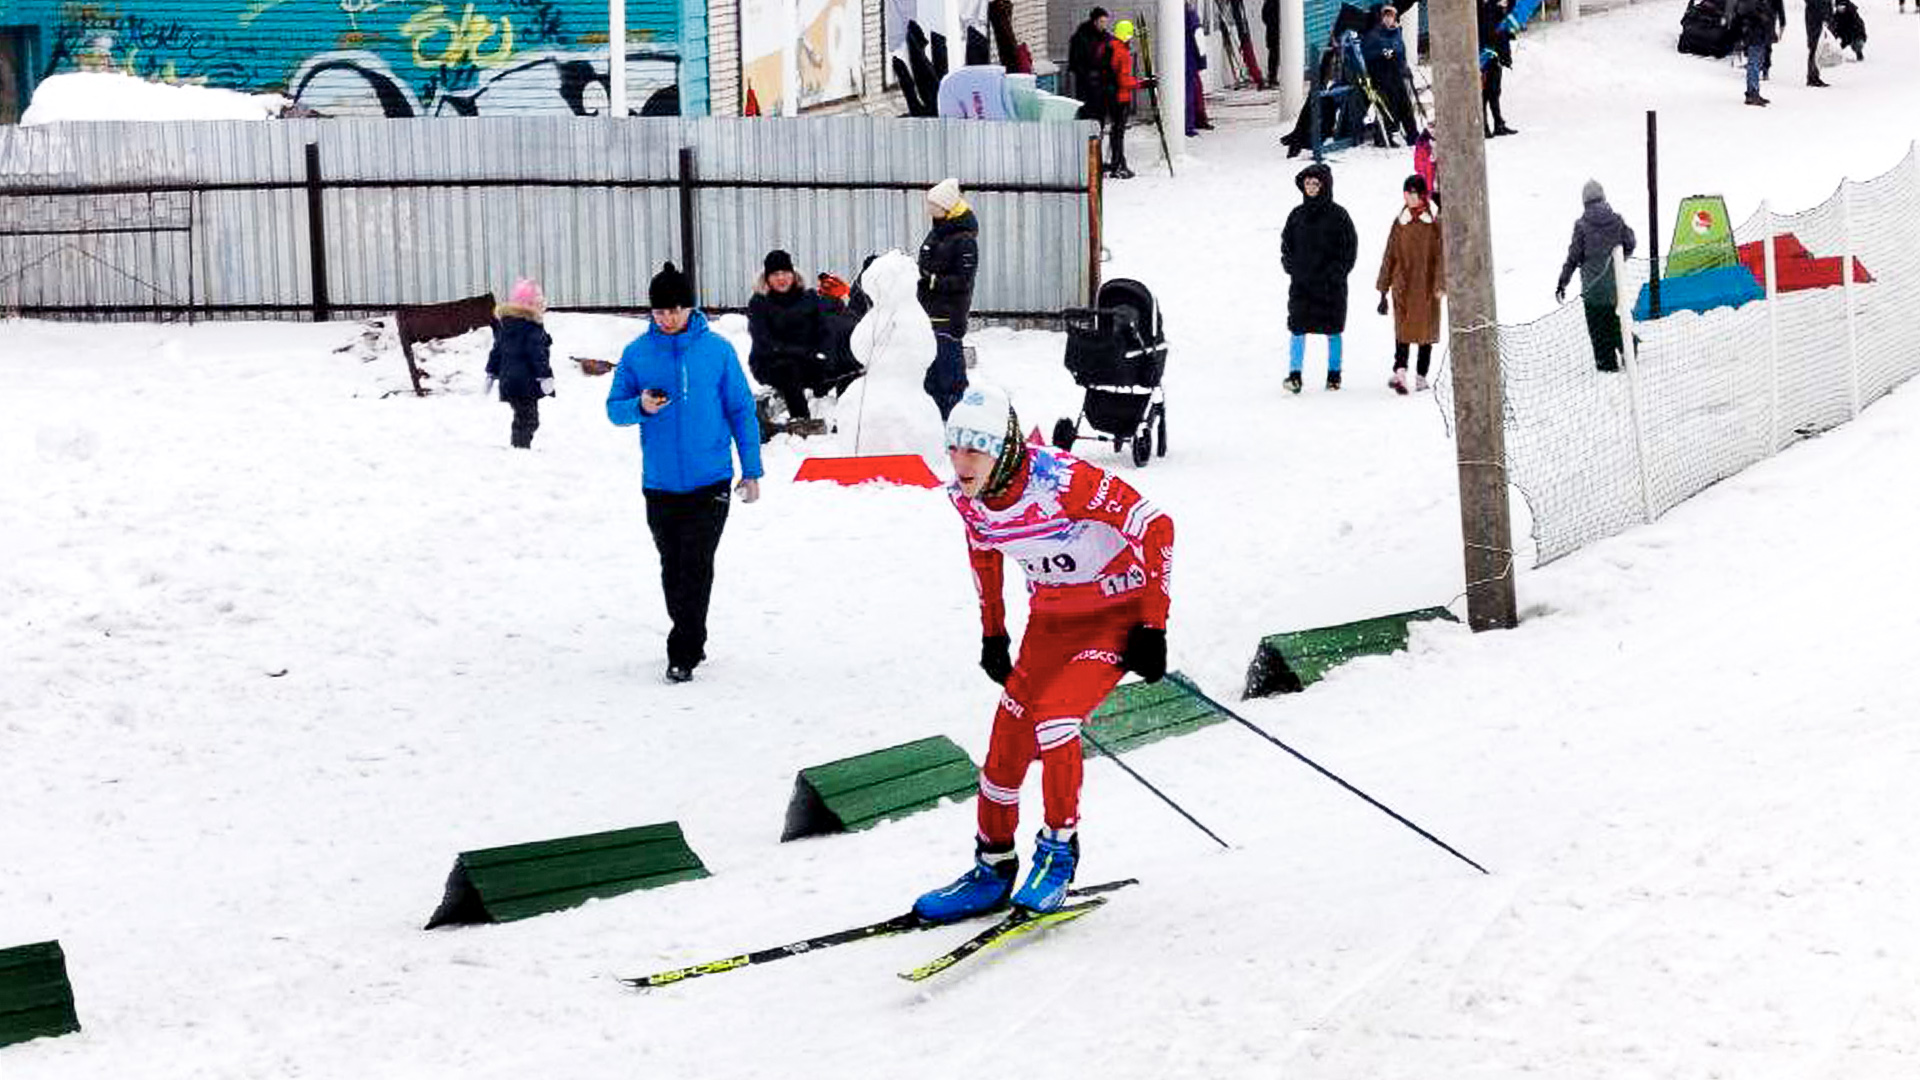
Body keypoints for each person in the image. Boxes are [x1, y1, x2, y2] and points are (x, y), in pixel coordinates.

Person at [912, 383, 1175, 921]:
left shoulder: (1064, 481)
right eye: (954, 448)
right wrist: (994, 632)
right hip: (1052, 623)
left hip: (1115, 619)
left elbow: (1156, 527)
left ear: (1004, 448)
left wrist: (1153, 627)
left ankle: (1058, 855)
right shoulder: (967, 496)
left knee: (1056, 720)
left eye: (975, 450)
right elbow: (984, 551)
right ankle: (993, 868)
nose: (962, 463)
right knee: (1006, 741)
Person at [605, 262, 764, 684]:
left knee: (696, 561)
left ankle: (684, 650)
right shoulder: (638, 353)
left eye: (674, 310)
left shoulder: (717, 351)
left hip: (710, 478)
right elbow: (613, 409)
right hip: (659, 482)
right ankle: (692, 631)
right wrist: (640, 406)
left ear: (689, 308)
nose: (667, 319)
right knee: (672, 566)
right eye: (659, 312)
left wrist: (751, 470)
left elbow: (741, 410)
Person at [1280, 163, 1358, 393]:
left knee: (1333, 329)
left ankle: (1334, 375)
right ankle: (1295, 375)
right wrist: (1291, 266)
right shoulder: (1296, 215)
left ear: (1324, 186)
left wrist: (1337, 273)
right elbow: (1287, 244)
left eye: (1316, 184)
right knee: (1297, 328)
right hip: (1302, 284)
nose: (1311, 188)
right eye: (1307, 184)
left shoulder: (1339, 216)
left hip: (1330, 286)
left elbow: (1349, 248)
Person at [1555, 180, 1637, 372]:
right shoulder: (1616, 220)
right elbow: (1630, 242)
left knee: (1598, 326)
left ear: (1584, 202)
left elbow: (1573, 257)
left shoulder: (1582, 226)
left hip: (1592, 287)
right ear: (1603, 197)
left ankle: (1606, 363)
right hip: (1614, 284)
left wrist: (1562, 282)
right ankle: (1628, 343)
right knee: (1610, 316)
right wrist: (1619, 258)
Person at [746, 248, 830, 433]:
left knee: (837, 363)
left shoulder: (809, 298)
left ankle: (844, 415)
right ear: (767, 278)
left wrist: (822, 351)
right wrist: (803, 352)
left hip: (808, 358)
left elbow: (823, 329)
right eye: (775, 274)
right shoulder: (759, 303)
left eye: (785, 272)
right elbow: (764, 342)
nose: (781, 278)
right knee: (788, 369)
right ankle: (802, 422)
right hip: (770, 362)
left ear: (793, 274)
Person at [1375, 174, 1445, 394]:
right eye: (1406, 192)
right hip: (1402, 284)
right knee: (1402, 330)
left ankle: (1421, 375)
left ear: (1422, 195)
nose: (1409, 197)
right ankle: (1400, 371)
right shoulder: (1400, 221)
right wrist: (1383, 286)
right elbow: (1390, 253)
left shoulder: (1433, 223)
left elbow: (1441, 255)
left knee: (1425, 331)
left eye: (1413, 192)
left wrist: (1440, 283)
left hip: (1425, 285)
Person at [917, 178, 980, 419]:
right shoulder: (938, 231)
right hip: (929, 313)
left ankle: (955, 418)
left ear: (946, 206)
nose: (928, 209)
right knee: (931, 375)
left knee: (949, 373)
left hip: (948, 317)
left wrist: (932, 281)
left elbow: (963, 280)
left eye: (933, 204)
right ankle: (934, 420)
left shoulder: (964, 240)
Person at [484, 277, 555, 448]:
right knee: (528, 419)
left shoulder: (506, 327)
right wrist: (545, 377)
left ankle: (520, 446)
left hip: (510, 382)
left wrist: (491, 373)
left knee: (524, 416)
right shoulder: (532, 329)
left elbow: (496, 352)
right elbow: (538, 355)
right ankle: (520, 449)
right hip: (525, 383)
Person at [1361, 5, 1419, 146]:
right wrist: (1382, 54)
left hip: (1397, 74)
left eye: (1391, 16)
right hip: (1381, 76)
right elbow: (1368, 53)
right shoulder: (1374, 34)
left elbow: (1401, 52)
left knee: (1405, 104)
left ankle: (1412, 135)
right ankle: (1384, 136)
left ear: (1395, 18)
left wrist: (1404, 66)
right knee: (1388, 104)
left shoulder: (1397, 33)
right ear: (1382, 17)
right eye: (1386, 16)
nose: (1388, 19)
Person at [1104, 20, 1143, 179]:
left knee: (1114, 132)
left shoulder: (1109, 47)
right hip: (1121, 97)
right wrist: (1141, 83)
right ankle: (1119, 165)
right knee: (1119, 133)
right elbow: (1124, 80)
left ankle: (1116, 163)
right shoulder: (1123, 54)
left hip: (1110, 96)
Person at [1730, 0, 1785, 104]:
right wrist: (1761, 16)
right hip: (1755, 31)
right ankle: (1752, 93)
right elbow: (1746, 10)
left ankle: (1754, 91)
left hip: (1760, 31)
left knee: (1758, 61)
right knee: (1754, 62)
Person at [1478, 0, 1517, 136]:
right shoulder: (1483, 6)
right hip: (1485, 47)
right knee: (1484, 90)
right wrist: (1495, 5)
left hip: (1498, 46)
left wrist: (1505, 5)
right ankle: (1483, 126)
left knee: (1495, 89)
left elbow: (1511, 7)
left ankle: (1498, 123)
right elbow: (1483, 19)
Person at [1067, 7, 1114, 121]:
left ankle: (1098, 134)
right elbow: (1075, 60)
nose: (1104, 25)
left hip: (1102, 81)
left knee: (1100, 113)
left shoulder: (1106, 37)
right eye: (1102, 22)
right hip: (1086, 82)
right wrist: (1087, 75)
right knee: (1088, 112)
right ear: (1095, 21)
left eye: (1106, 22)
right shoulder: (1081, 37)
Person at [1184, 2, 1213, 137]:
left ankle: (1192, 121)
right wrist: (1202, 60)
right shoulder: (1191, 14)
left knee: (1191, 92)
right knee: (1192, 92)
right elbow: (1199, 36)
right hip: (1190, 58)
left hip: (1182, 57)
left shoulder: (1183, 13)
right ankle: (1190, 123)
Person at [1803, 0, 1833, 86]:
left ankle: (1814, 76)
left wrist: (1828, 17)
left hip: (1821, 18)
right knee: (1814, 47)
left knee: (1819, 48)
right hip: (1815, 18)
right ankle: (1812, 77)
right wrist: (1824, 16)